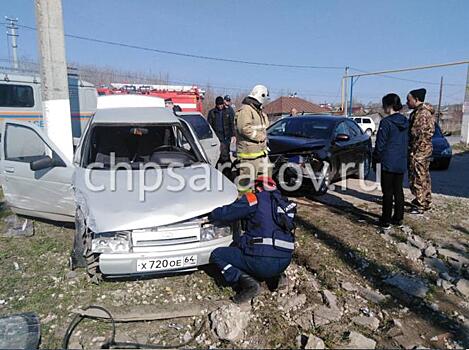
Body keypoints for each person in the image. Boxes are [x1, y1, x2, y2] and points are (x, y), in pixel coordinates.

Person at [209, 176, 296, 304]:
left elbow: (226, 213)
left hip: (261, 261)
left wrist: (212, 213)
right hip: (284, 261)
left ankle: (248, 284)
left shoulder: (255, 199)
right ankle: (275, 277)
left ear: (259, 187)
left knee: (218, 255)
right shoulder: (286, 204)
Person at [373, 93, 409, 229]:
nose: (383, 108)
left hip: (388, 161)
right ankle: (398, 218)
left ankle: (386, 219)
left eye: (384, 105)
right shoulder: (406, 122)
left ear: (388, 105)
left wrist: (376, 158)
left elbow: (380, 144)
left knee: (387, 191)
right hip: (401, 161)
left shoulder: (386, 122)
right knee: (398, 190)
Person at [235, 85, 271, 191]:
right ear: (262, 96)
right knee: (246, 185)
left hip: (261, 153)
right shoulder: (246, 110)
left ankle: (261, 203)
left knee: (264, 181)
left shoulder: (258, 111)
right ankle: (244, 205)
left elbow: (264, 127)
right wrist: (261, 137)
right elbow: (244, 128)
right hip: (249, 155)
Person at [406, 88, 435, 214]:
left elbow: (418, 133)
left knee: (419, 176)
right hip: (422, 149)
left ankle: (421, 203)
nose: (407, 102)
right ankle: (424, 199)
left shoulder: (422, 113)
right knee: (423, 175)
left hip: (419, 150)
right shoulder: (419, 112)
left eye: (409, 100)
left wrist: (414, 151)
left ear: (416, 99)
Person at [207, 96, 235, 168]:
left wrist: (233, 135)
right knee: (221, 154)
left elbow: (231, 124)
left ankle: (226, 168)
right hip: (217, 137)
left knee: (225, 154)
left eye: (221, 104)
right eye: (219, 105)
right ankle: (223, 168)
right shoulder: (212, 113)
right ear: (216, 104)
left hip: (226, 136)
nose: (220, 106)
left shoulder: (227, 112)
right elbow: (209, 126)